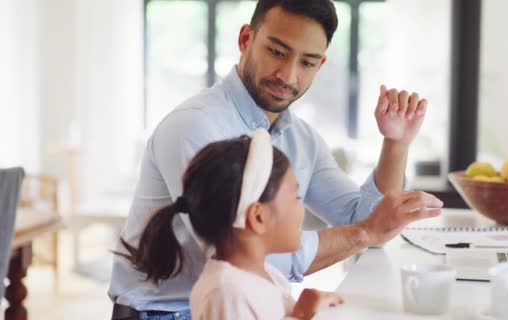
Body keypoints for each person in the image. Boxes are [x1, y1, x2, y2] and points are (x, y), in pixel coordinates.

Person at [109, 0, 444, 319]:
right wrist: (365, 233)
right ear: (245, 39)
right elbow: (244, 251)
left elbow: (365, 220)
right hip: (166, 314)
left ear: (321, 64)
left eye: (307, 62)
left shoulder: (301, 139)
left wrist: (396, 144)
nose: (288, 75)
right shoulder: (196, 125)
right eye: (277, 52)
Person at [119, 130, 345, 320]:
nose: (301, 210)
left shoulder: (265, 274)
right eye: (296, 198)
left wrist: (303, 310)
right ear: (258, 217)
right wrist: (302, 315)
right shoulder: (227, 293)